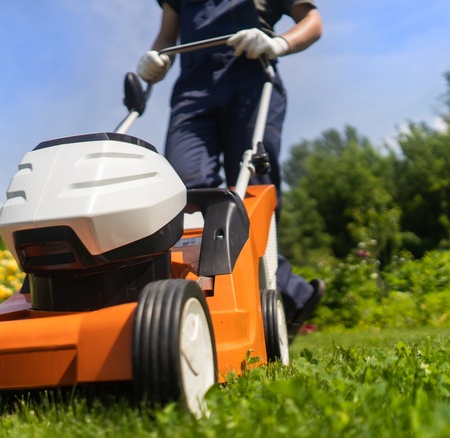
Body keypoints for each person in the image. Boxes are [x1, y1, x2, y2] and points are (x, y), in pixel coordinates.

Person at [137, 0, 325, 341]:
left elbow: (312, 21)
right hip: (193, 93)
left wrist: (279, 43)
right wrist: (155, 59)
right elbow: (167, 36)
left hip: (251, 80)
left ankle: (266, 296)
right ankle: (287, 293)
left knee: (252, 191)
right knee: (187, 193)